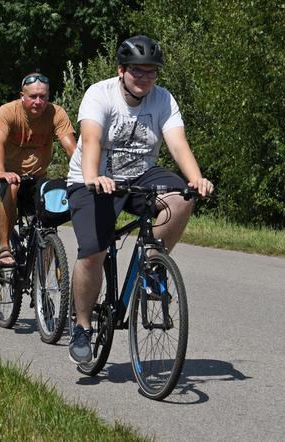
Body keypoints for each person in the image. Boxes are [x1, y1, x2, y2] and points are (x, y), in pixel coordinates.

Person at [66, 35, 215, 364]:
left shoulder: (163, 99)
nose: (145, 79)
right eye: (138, 72)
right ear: (121, 70)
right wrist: (92, 175)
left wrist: (196, 178)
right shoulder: (99, 94)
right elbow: (90, 139)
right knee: (93, 252)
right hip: (92, 179)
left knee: (182, 196)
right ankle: (81, 325)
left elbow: (177, 143)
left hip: (139, 176)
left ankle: (153, 263)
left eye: (152, 72)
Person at [0, 72, 77, 267]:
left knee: (51, 206)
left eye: (43, 96)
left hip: (36, 177)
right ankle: (4, 248)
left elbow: (71, 148)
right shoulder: (8, 111)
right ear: (22, 96)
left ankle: (43, 275)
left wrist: (86, 172)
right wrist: (1, 172)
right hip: (5, 173)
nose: (38, 101)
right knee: (11, 187)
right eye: (33, 96)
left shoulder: (56, 113)